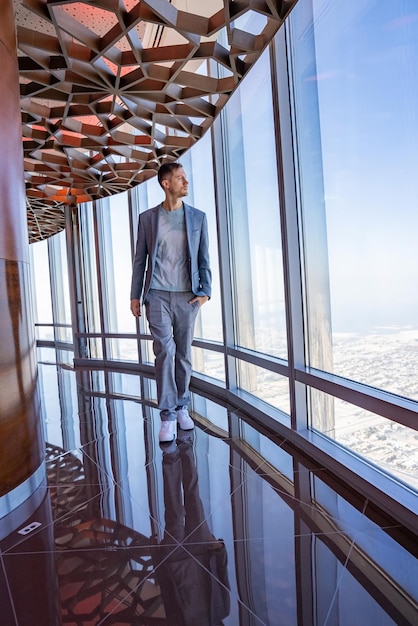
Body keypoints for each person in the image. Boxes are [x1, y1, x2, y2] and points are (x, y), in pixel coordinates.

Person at [130, 162, 211, 442]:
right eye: (180, 178)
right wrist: (135, 295)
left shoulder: (198, 218)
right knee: (164, 352)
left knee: (184, 355)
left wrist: (206, 292)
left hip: (188, 297)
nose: (186, 182)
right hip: (157, 296)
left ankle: (181, 408)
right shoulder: (148, 219)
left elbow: (204, 258)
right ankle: (167, 416)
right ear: (167, 184)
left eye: (185, 177)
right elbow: (140, 260)